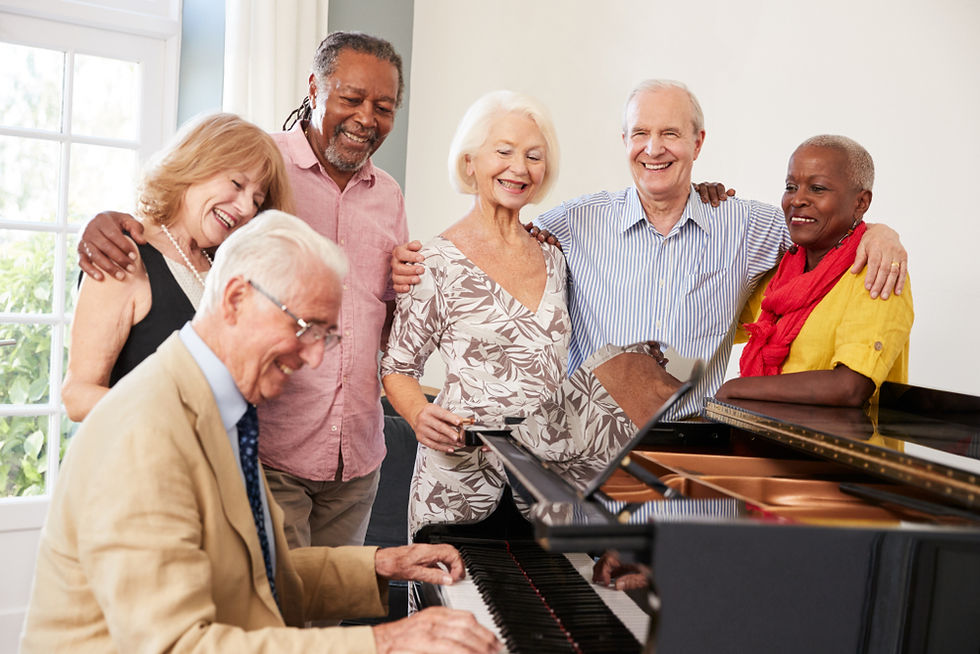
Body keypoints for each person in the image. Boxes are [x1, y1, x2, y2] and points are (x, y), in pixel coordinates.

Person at [20, 211, 500, 654]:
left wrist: (382, 564)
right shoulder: (143, 432)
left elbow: (259, 579)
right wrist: (384, 642)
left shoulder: (225, 410)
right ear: (235, 299)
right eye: (305, 327)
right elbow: (176, 646)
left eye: (326, 335)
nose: (315, 358)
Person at [392, 79, 908, 421]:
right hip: (587, 460)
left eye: (670, 134)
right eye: (640, 133)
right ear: (624, 141)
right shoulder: (571, 224)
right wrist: (415, 262)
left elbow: (821, 232)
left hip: (695, 460)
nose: (654, 148)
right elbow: (499, 236)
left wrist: (883, 232)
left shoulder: (748, 225)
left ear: (698, 142)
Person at [74, 31, 409, 552]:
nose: (367, 117)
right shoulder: (261, 160)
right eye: (351, 98)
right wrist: (104, 222)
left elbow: (382, 313)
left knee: (327, 607)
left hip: (357, 454)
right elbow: (175, 211)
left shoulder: (388, 195)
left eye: (383, 106)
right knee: (267, 613)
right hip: (267, 454)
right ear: (315, 88)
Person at [380, 90, 571, 540]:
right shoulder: (432, 263)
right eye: (503, 151)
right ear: (470, 163)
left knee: (542, 608)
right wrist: (418, 416)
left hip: (545, 487)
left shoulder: (556, 258)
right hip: (459, 484)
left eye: (533, 156)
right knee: (453, 608)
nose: (519, 167)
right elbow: (398, 368)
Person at [61, 112, 291, 422]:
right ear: (196, 164)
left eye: (257, 200)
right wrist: (173, 410)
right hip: (141, 465)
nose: (246, 208)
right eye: (237, 183)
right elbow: (78, 396)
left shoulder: (222, 270)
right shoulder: (124, 255)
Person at [715, 135, 913, 406]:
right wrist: (707, 210)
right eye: (791, 186)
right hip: (765, 443)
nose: (798, 200)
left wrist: (736, 389)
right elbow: (710, 324)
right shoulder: (779, 275)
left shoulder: (877, 273)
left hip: (837, 447)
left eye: (817, 188)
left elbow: (850, 387)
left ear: (861, 202)